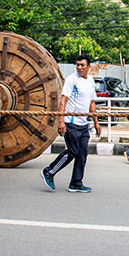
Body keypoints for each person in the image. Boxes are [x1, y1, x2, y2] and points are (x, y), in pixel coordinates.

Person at [42, 54, 101, 193]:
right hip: (71, 122)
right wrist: (61, 121)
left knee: (82, 154)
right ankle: (49, 171)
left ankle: (76, 182)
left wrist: (96, 123)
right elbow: (63, 100)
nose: (79, 67)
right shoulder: (71, 80)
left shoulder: (90, 81)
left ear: (88, 67)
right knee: (73, 151)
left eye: (82, 65)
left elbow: (92, 103)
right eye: (77, 65)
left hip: (83, 124)